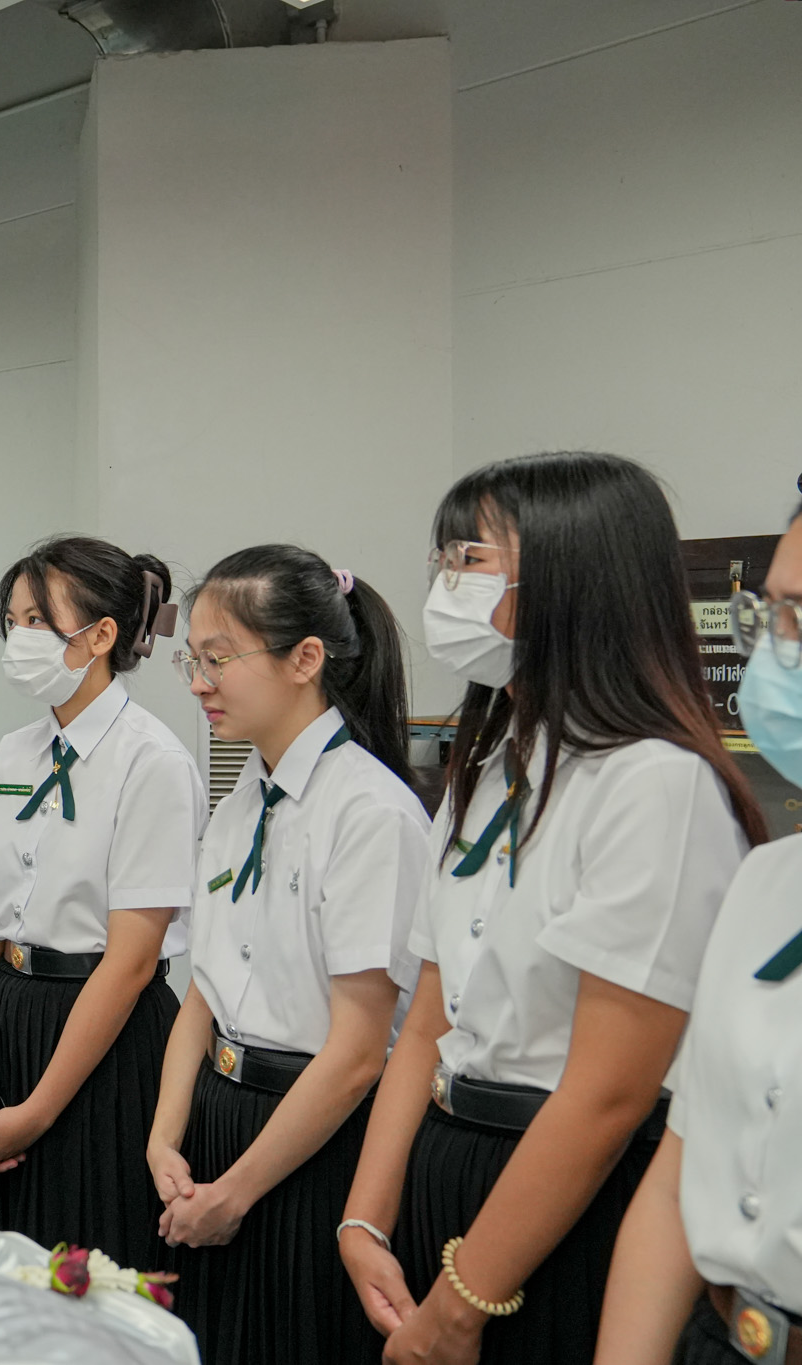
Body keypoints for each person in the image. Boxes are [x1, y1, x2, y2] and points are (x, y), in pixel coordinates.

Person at [337, 452, 764, 1365]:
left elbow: (608, 1095)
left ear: (575, 578)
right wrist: (365, 1218)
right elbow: (429, 1023)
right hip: (450, 1163)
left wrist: (460, 1306)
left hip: (561, 1198)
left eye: (471, 559)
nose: (444, 585)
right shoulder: (488, 764)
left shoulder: (654, 785)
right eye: (442, 560)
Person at [146, 544, 429, 1365]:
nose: (199, 682)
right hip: (219, 1120)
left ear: (306, 659)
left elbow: (358, 1053)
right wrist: (164, 1137)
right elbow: (203, 990)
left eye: (219, 658)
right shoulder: (244, 799)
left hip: (315, 1139)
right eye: (191, 660)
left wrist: (235, 1193)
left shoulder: (371, 813)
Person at [0, 536, 204, 1267]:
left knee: (80, 1252)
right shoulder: (13, 753)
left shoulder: (151, 762)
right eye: (13, 621)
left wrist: (38, 1111)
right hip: (6, 1018)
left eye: (37, 620)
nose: (18, 638)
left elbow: (130, 961)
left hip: (101, 1033)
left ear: (101, 635)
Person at [591, 502, 802, 1365]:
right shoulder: (767, 881)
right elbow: (684, 1163)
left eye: (800, 617)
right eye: (771, 615)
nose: (775, 651)